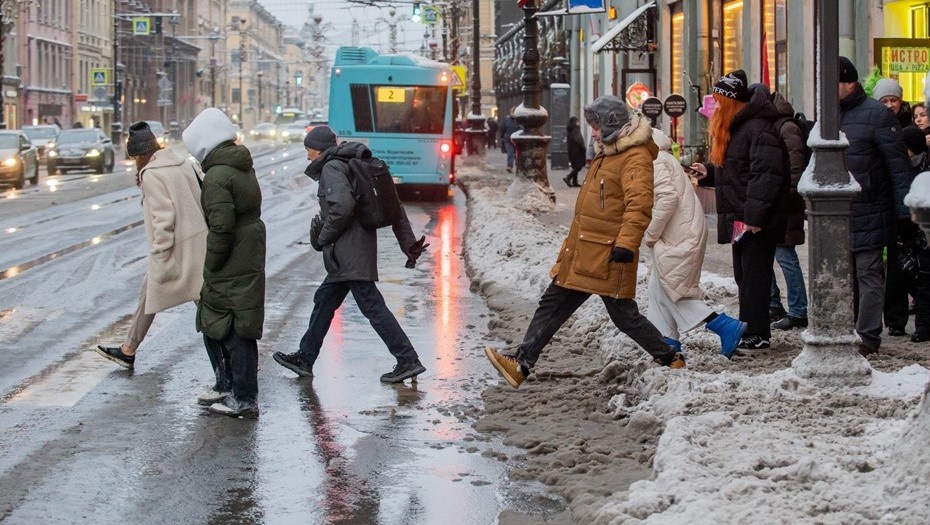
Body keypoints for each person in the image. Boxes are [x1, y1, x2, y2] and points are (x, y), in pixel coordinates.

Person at [484, 96, 685, 390]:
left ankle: (670, 357)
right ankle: (521, 364)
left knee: (624, 317)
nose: (592, 132)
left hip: (609, 254)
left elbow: (639, 204)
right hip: (587, 249)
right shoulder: (610, 152)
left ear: (612, 125)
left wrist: (626, 245)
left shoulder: (634, 156)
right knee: (553, 304)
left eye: (596, 125)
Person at [272, 125, 430, 383]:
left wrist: (323, 238)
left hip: (349, 251)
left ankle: (407, 359)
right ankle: (305, 357)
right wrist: (407, 242)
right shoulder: (350, 164)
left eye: (308, 149)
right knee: (324, 300)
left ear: (319, 149)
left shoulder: (332, 168)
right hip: (353, 250)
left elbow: (342, 208)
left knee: (372, 307)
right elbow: (395, 206)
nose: (307, 156)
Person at [95, 122, 208, 380]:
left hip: (176, 247)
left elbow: (163, 219)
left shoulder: (152, 174)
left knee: (207, 307)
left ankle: (235, 362)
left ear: (139, 154)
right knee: (152, 294)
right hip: (198, 241)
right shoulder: (180, 161)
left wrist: (160, 252)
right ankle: (128, 349)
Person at [690, 70, 790, 350]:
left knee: (755, 278)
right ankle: (750, 327)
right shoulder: (740, 127)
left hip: (754, 220)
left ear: (734, 101)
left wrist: (754, 218)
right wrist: (708, 172)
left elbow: (766, 176)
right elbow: (736, 171)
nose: (718, 107)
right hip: (741, 217)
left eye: (722, 101)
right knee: (744, 276)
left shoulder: (758, 129)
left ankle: (756, 332)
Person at [182, 108, 266, 417]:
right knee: (240, 320)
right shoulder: (239, 164)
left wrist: (211, 264)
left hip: (232, 256)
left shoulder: (217, 175)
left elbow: (221, 226)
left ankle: (241, 397)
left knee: (226, 324)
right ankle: (239, 391)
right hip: (249, 249)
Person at [644, 127, 747, 358]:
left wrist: (650, 233)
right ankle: (668, 344)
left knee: (672, 290)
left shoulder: (655, 161)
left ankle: (723, 325)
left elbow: (667, 198)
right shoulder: (660, 158)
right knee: (658, 288)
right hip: (679, 232)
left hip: (677, 235)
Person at [837, 57, 913, 356]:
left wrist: (905, 213)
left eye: (835, 83)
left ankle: (868, 336)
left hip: (870, 208)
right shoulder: (829, 114)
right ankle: (845, 328)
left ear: (850, 83)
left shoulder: (877, 115)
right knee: (844, 274)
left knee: (868, 273)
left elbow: (898, 167)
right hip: (837, 211)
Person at [768, 90, 810, 330]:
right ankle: (780, 306)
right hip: (780, 203)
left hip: (786, 205)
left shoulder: (787, 127)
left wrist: (786, 197)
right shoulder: (778, 125)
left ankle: (798, 309)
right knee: (776, 254)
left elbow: (795, 167)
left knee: (785, 256)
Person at [888, 125, 930, 342]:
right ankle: (896, 322)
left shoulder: (924, 168)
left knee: (922, 280)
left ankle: (924, 326)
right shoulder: (901, 166)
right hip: (902, 229)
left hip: (921, 232)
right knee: (898, 277)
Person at [563, 116, 586, 187]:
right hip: (578, 151)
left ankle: (574, 182)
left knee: (575, 166)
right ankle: (568, 177)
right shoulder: (576, 130)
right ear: (575, 123)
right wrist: (583, 148)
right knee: (578, 166)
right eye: (577, 121)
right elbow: (579, 140)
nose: (579, 122)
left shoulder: (570, 130)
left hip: (571, 151)